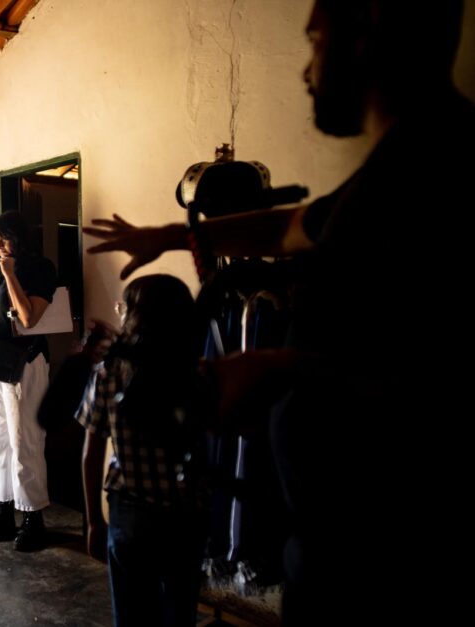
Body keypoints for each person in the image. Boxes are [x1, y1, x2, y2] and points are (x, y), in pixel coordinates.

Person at [83, 2, 472, 623]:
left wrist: (283, 366)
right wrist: (170, 235)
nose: (306, 69)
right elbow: (293, 225)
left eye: (315, 39)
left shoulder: (438, 173)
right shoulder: (389, 175)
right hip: (337, 551)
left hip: (390, 565)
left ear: (366, 30)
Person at [77, 275, 207, 627]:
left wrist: (92, 521)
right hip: (184, 514)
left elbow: (91, 454)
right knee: (179, 614)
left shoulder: (109, 373)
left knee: (133, 616)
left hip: (130, 513)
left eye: (123, 307)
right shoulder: (198, 374)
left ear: (133, 316)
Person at [0, 211, 57, 551]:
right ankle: (3, 509)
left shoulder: (40, 268)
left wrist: (8, 275)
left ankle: (33, 516)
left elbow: (29, 317)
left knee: (25, 439)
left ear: (20, 239)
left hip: (26, 360)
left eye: (5, 239)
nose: (0, 246)